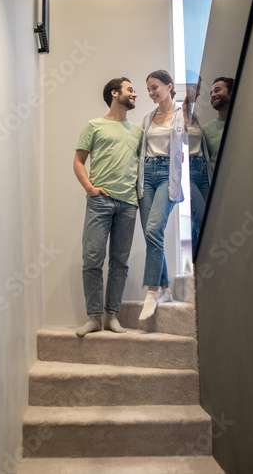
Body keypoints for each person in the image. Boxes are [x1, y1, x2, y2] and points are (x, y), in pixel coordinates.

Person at [74, 77, 143, 337]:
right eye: (130, 89)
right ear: (114, 93)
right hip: (100, 201)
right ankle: (93, 317)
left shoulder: (138, 131)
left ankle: (111, 315)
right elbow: (79, 162)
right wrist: (90, 189)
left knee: (119, 262)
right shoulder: (94, 126)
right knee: (92, 259)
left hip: (128, 204)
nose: (134, 94)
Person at [137, 70, 188, 320]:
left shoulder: (181, 116)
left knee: (153, 230)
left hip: (167, 175)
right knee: (151, 235)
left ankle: (152, 290)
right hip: (146, 175)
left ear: (169, 86)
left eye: (155, 87)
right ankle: (166, 287)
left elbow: (191, 142)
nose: (151, 92)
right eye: (148, 89)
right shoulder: (147, 118)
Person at [183, 77, 212, 257]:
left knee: (206, 221)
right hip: (189, 172)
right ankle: (200, 267)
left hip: (202, 170)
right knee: (203, 220)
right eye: (196, 88)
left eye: (199, 88)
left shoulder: (195, 116)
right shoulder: (176, 113)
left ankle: (195, 267)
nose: (199, 92)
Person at [202, 77, 234, 173]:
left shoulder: (248, 123)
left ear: (232, 92)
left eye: (217, 90)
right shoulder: (205, 130)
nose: (213, 95)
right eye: (211, 93)